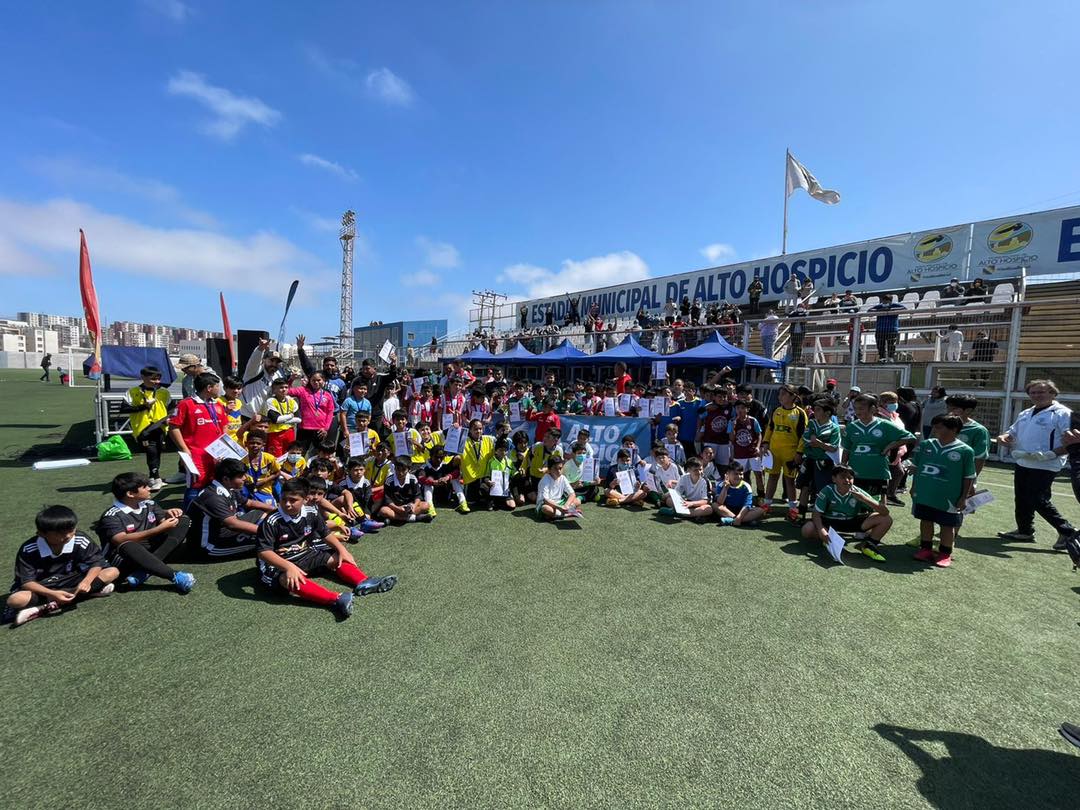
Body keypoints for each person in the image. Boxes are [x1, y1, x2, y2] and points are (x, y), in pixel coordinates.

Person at [256, 478, 397, 621]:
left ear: (305, 499)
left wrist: (342, 550)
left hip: (304, 553)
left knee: (337, 557)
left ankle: (364, 582)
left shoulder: (311, 512)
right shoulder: (271, 521)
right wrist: (288, 567)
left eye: (293, 500)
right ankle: (336, 599)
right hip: (277, 563)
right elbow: (263, 552)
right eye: (284, 499)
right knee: (287, 579)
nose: (287, 504)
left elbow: (325, 533)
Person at [4, 505, 120, 627]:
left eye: (71, 529)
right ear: (41, 533)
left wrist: (86, 581)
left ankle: (48, 606)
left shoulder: (80, 539)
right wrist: (52, 594)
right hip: (43, 586)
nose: (68, 535)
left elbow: (96, 563)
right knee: (15, 600)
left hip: (72, 580)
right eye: (60, 533)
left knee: (112, 572)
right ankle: (84, 594)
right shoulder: (29, 549)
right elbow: (27, 582)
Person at [996, 379, 1076, 549]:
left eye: (1041, 392)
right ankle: (1024, 530)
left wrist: (1051, 454)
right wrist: (1004, 437)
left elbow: (1072, 441)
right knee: (1021, 498)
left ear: (1052, 393)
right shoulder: (1026, 413)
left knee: (1037, 499)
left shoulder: (1063, 413)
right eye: (1033, 393)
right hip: (1023, 460)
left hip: (1046, 464)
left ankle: (1068, 532)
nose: (1036, 395)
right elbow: (1012, 432)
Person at [95, 472, 195, 592]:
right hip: (124, 559)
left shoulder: (149, 504)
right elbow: (119, 540)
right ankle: (174, 575)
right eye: (144, 487)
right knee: (128, 544)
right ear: (130, 494)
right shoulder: (111, 516)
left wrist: (170, 514)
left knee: (183, 520)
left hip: (150, 550)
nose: (149, 488)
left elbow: (163, 520)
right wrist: (159, 529)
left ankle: (145, 571)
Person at [910, 415, 975, 568]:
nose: (934, 430)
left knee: (947, 525)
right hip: (926, 493)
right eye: (934, 426)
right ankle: (925, 549)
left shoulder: (965, 451)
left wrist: (963, 497)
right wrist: (914, 487)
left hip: (949, 497)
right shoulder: (926, 445)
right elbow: (916, 468)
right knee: (925, 521)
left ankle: (945, 554)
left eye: (939, 427)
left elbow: (968, 476)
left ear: (953, 430)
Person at [186, 457, 275, 557]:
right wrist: (267, 533)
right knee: (265, 545)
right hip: (210, 546)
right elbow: (232, 524)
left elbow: (249, 503)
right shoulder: (213, 497)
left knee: (260, 513)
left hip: (224, 532)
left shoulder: (228, 488)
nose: (245, 478)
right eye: (240, 476)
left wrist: (275, 509)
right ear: (226, 479)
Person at [801, 465, 893, 562]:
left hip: (851, 521)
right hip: (829, 522)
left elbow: (885, 512)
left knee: (886, 519)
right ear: (834, 479)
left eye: (850, 477)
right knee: (807, 529)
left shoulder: (857, 491)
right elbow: (816, 513)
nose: (847, 480)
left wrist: (864, 499)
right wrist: (821, 530)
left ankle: (868, 546)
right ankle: (830, 539)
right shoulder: (827, 490)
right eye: (842, 477)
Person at [841, 394, 914, 505]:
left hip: (878, 473)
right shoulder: (851, 427)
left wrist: (889, 446)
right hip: (856, 473)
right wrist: (843, 467)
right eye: (855, 408)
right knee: (855, 505)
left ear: (873, 409)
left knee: (878, 506)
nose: (857, 411)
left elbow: (910, 437)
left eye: (861, 408)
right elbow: (847, 449)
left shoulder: (884, 425)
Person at [167, 371, 227, 507]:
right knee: (196, 483)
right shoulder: (186, 404)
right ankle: (190, 513)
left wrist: (224, 447)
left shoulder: (218, 405)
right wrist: (184, 449)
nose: (220, 389)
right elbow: (173, 427)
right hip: (196, 454)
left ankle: (211, 511)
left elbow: (224, 426)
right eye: (218, 386)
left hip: (216, 454)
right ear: (209, 388)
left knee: (215, 482)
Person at [761, 384, 808, 521]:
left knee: (789, 480)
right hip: (774, 452)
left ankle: (793, 508)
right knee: (772, 477)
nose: (779, 397)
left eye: (783, 394)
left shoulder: (800, 413)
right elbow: (770, 428)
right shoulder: (776, 410)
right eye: (779, 394)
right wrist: (765, 443)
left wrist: (799, 452)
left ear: (793, 396)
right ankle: (767, 504)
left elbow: (803, 436)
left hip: (790, 453)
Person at [123, 365, 172, 490]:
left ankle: (154, 477)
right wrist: (144, 406)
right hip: (143, 428)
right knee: (151, 452)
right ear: (143, 377)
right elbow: (124, 408)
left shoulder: (164, 392)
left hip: (160, 427)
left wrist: (169, 419)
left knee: (157, 451)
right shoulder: (133, 392)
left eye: (158, 379)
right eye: (153, 379)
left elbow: (171, 408)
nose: (157, 381)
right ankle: (155, 477)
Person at [946, 394, 991, 491]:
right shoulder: (942, 426)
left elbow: (980, 458)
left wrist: (971, 481)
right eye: (948, 407)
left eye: (954, 408)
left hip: (961, 477)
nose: (949, 411)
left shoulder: (978, 430)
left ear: (968, 410)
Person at [287, 366, 335, 453]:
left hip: (320, 430)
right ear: (310, 381)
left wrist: (326, 428)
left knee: (319, 454)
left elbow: (330, 412)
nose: (316, 382)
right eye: (313, 380)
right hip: (304, 428)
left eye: (319, 380)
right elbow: (288, 391)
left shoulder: (327, 395)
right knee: (299, 453)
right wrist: (291, 379)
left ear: (323, 380)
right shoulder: (303, 391)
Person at [240, 337, 285, 419]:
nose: (274, 364)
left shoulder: (277, 376)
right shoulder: (255, 371)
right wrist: (260, 349)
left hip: (262, 417)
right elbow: (253, 361)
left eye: (277, 362)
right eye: (271, 361)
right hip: (246, 415)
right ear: (264, 360)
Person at [380, 457, 433, 524]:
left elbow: (418, 496)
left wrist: (414, 506)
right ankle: (414, 518)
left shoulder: (413, 479)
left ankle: (395, 518)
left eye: (403, 470)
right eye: (398, 469)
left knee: (426, 505)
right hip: (396, 507)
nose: (400, 473)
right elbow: (388, 500)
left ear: (409, 470)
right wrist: (398, 508)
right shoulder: (389, 481)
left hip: (409, 507)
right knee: (383, 510)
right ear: (394, 468)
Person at [456, 419, 495, 512]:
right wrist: (454, 428)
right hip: (470, 479)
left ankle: (488, 500)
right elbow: (452, 443)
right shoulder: (463, 441)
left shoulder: (488, 440)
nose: (478, 431)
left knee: (487, 489)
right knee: (472, 502)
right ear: (470, 430)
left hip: (484, 477)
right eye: (475, 429)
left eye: (480, 429)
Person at [261, 377, 301, 458]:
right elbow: (276, 419)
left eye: (286, 387)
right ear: (274, 389)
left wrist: (283, 419)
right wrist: (290, 416)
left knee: (289, 456)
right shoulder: (271, 401)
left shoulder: (292, 401)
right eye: (281, 387)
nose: (284, 389)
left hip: (289, 432)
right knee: (275, 457)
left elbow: (299, 419)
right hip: (275, 433)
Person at [535, 456, 582, 521]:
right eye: (555, 469)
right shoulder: (545, 480)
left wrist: (566, 505)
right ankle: (567, 514)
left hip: (559, 503)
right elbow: (546, 500)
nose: (559, 471)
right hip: (546, 504)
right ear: (549, 469)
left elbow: (572, 494)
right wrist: (560, 508)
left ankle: (557, 514)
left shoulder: (563, 478)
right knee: (546, 509)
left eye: (560, 468)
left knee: (578, 501)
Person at [242, 430, 279, 505]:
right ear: (246, 444)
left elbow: (277, 472)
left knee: (269, 509)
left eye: (258, 443)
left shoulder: (269, 458)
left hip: (265, 490)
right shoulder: (242, 460)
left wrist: (264, 480)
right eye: (252, 443)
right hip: (247, 490)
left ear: (263, 444)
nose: (255, 445)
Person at [867, 293, 905, 362]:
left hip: (892, 329)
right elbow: (869, 311)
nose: (884, 303)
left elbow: (904, 309)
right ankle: (882, 358)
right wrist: (880, 310)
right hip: (880, 330)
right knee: (880, 345)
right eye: (883, 301)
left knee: (891, 345)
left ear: (890, 301)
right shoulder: (880, 306)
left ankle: (891, 358)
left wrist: (891, 310)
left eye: (886, 302)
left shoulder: (894, 305)